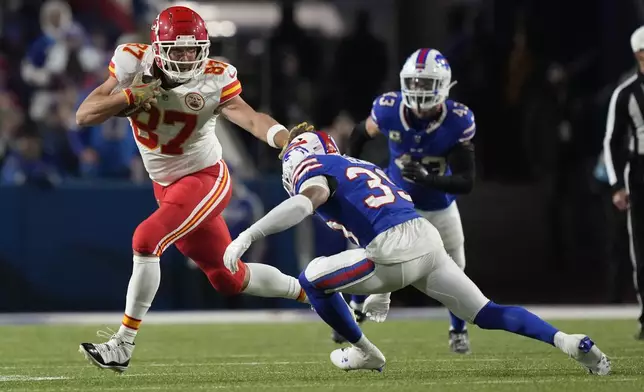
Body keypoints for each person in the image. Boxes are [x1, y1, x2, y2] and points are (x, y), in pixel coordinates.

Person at [223, 123, 610, 375]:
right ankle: (570, 342)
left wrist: (248, 236)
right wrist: (383, 288)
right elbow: (382, 217)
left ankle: (365, 352)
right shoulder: (361, 165)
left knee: (312, 279)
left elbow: (307, 201)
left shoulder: (316, 169)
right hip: (425, 238)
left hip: (392, 252)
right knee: (487, 311)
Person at [75, 6, 307, 373]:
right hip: (166, 186)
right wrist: (129, 97)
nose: (185, 57)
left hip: (205, 179)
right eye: (177, 49)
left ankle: (122, 344)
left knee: (146, 238)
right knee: (229, 278)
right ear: (157, 45)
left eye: (192, 49)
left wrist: (282, 137)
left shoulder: (215, 77)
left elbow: (249, 117)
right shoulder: (132, 62)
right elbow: (85, 114)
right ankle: (317, 292)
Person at [346, 48, 475, 353]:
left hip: (440, 205)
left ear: (442, 85)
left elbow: (466, 182)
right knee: (369, 257)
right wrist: (351, 168)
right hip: (397, 205)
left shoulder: (457, 120)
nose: (418, 91)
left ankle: (458, 329)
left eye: (426, 83)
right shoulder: (389, 109)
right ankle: (353, 316)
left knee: (457, 269)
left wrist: (426, 177)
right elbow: (359, 134)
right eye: (414, 82)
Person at [603, 25, 644, 340]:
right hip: (640, 171)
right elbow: (611, 141)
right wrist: (617, 185)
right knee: (640, 250)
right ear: (639, 54)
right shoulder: (626, 92)